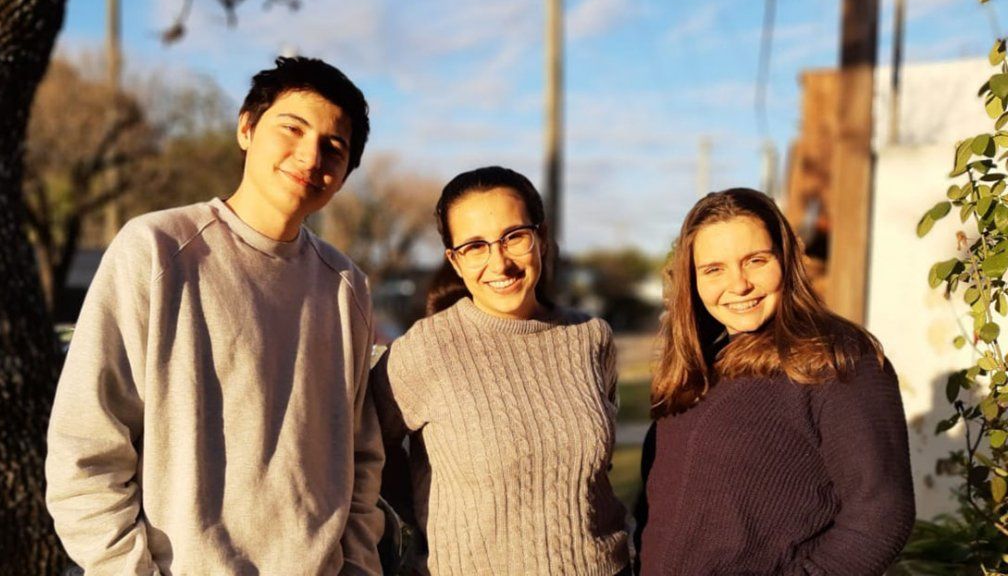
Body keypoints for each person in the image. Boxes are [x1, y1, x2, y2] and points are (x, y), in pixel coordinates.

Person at [45, 56, 383, 575]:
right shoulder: (156, 251)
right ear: (246, 128)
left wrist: (358, 567)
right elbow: (85, 444)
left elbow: (361, 461)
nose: (310, 155)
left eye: (333, 148)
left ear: (343, 174)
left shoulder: (346, 287)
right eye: (292, 128)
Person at [634, 188, 914, 575]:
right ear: (692, 280)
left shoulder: (837, 358)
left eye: (756, 260)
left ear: (785, 260)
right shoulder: (701, 364)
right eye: (715, 269)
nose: (740, 284)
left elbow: (881, 515)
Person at [372, 166, 631, 575]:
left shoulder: (591, 337)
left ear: (541, 239)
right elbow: (363, 450)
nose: (500, 262)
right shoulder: (426, 350)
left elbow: (596, 471)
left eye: (514, 237)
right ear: (455, 262)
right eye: (475, 246)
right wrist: (412, 521)